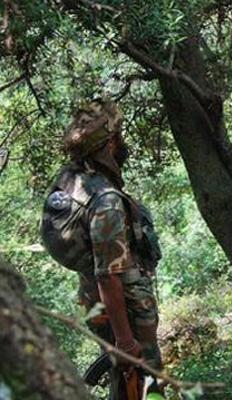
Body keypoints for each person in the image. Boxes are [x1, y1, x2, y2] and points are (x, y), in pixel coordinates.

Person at [41, 99, 162, 399]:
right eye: (118, 135)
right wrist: (125, 340)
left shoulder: (72, 177)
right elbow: (108, 274)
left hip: (97, 302)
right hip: (125, 310)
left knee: (125, 381)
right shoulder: (105, 201)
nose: (123, 142)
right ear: (109, 144)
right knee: (143, 382)